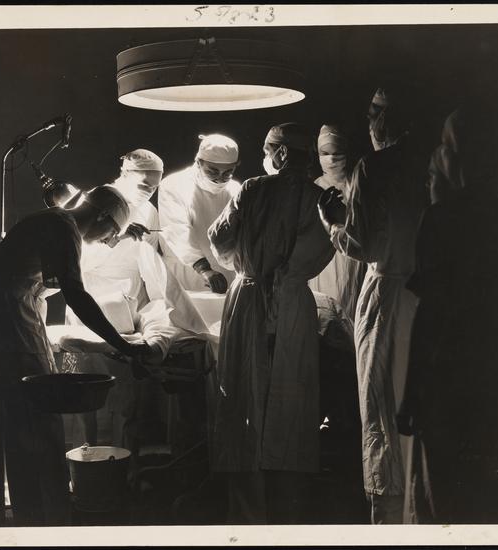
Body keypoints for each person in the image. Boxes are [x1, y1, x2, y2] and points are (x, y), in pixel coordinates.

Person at [0, 185, 151, 526]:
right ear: (102, 216)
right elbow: (76, 295)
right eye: (111, 233)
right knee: (37, 418)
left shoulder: (55, 222)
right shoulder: (63, 228)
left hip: (14, 318)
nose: (106, 241)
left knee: (29, 419)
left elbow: (52, 283)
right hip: (12, 322)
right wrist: (120, 343)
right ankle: (44, 516)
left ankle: (38, 509)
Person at [398, 108, 498, 523]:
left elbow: (431, 312)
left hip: (447, 370)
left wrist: (410, 394)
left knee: (440, 492)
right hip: (497, 366)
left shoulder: (441, 220)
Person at [208, 123, 335, 524]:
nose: (265, 156)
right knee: (289, 405)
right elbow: (322, 250)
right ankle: (287, 513)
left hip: (249, 301)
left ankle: (247, 514)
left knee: (245, 400)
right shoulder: (320, 198)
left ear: (280, 154)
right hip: (292, 305)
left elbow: (220, 240)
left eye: (267, 150)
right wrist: (284, 274)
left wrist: (252, 263)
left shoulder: (252, 189)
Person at [318, 87, 429, 524]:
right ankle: (418, 511)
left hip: (387, 296)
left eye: (374, 112)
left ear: (389, 117)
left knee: (382, 403)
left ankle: (387, 513)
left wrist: (333, 224)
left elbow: (363, 245)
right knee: (415, 405)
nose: (369, 121)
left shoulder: (375, 167)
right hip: (425, 297)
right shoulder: (431, 161)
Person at [61, 149, 170, 449]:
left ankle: (123, 453)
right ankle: (88, 447)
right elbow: (79, 258)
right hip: (92, 292)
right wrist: (116, 238)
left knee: (125, 387)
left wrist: (154, 303)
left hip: (129, 298)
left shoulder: (148, 211)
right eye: (144, 184)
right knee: (89, 381)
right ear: (125, 173)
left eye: (155, 187)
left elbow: (149, 259)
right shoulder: (96, 202)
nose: (149, 191)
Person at [159, 134, 241, 294]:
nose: (219, 179)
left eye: (227, 172)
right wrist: (204, 269)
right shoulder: (174, 185)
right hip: (189, 270)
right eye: (212, 171)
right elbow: (177, 231)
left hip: (227, 273)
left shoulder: (235, 189)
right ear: (198, 162)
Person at [310, 124, 366, 329]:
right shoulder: (314, 188)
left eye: (337, 153)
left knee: (350, 311)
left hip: (352, 257)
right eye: (325, 153)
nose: (331, 159)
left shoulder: (358, 185)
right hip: (323, 262)